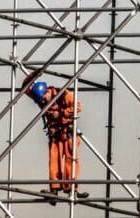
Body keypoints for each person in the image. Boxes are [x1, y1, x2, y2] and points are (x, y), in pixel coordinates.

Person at [22, 71, 87, 203]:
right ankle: (54, 190)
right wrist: (34, 75)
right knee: (54, 161)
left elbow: (78, 106)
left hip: (68, 132)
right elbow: (25, 87)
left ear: (47, 92)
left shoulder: (64, 95)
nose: (43, 103)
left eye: (44, 100)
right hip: (55, 134)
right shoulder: (40, 98)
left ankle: (72, 188)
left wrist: (61, 114)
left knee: (71, 159)